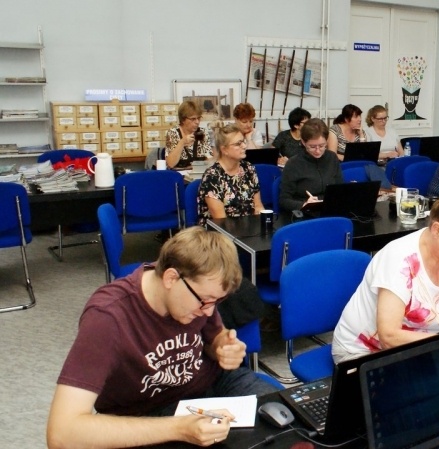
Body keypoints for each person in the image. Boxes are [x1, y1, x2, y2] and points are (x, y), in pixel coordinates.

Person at [46, 227, 278, 448]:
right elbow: (62, 433)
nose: (209, 311)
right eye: (205, 301)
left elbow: (213, 337)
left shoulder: (193, 289)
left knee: (290, 419)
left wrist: (221, 346)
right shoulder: (107, 318)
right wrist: (178, 428)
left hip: (214, 385)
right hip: (145, 412)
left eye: (216, 302)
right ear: (170, 278)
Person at [331, 190, 439, 363]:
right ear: (437, 230)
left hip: (417, 350)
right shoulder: (400, 257)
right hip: (362, 353)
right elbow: (388, 336)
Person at [198, 123, 264, 227]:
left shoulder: (249, 168)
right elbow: (221, 221)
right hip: (220, 235)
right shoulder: (212, 177)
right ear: (224, 150)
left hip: (249, 229)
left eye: (243, 141)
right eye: (238, 144)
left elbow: (258, 206)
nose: (244, 146)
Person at [280, 118, 343, 211]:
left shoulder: (332, 158)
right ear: (303, 142)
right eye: (312, 146)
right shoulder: (293, 164)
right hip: (304, 212)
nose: (318, 151)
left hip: (330, 209)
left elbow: (339, 189)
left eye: (322, 146)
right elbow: (284, 200)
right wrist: (304, 204)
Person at [164, 100, 214, 169]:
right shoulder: (173, 133)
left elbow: (210, 160)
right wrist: (182, 143)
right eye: (193, 119)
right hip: (179, 176)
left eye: (199, 118)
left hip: (198, 175)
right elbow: (170, 164)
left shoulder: (203, 132)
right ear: (183, 120)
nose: (197, 122)